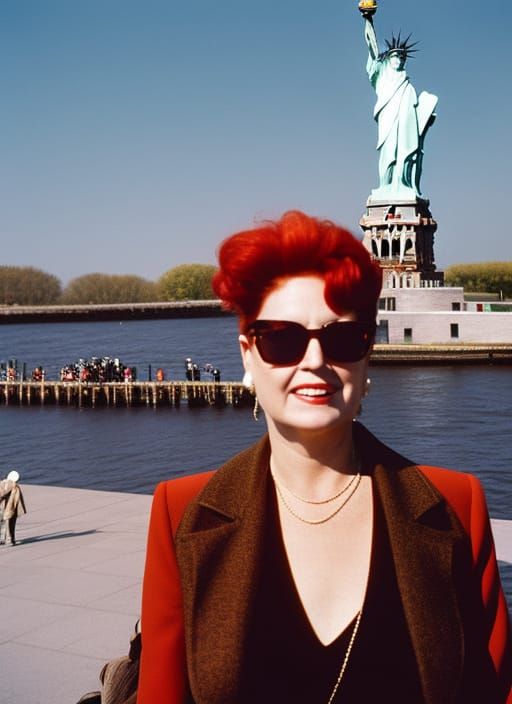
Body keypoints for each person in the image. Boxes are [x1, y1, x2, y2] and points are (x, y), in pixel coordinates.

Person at [138, 211, 512, 703]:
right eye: (282, 339)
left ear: (367, 352)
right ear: (248, 353)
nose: (315, 362)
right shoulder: (181, 512)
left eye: (342, 339)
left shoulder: (455, 505)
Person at [361, 8, 438, 199]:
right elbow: (372, 46)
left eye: (402, 58)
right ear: (389, 59)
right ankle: (385, 186)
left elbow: (416, 112)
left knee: (406, 152)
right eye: (396, 56)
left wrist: (426, 119)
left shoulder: (407, 85)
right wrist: (368, 21)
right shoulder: (380, 76)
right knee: (388, 153)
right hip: (388, 119)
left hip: (405, 125)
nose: (400, 60)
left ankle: (402, 184)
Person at [0, 470, 27, 546]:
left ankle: (6, 540)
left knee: (5, 523)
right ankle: (10, 540)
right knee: (10, 524)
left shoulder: (5, 484)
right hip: (12, 508)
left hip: (5, 507)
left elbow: (2, 493)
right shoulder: (15, 486)